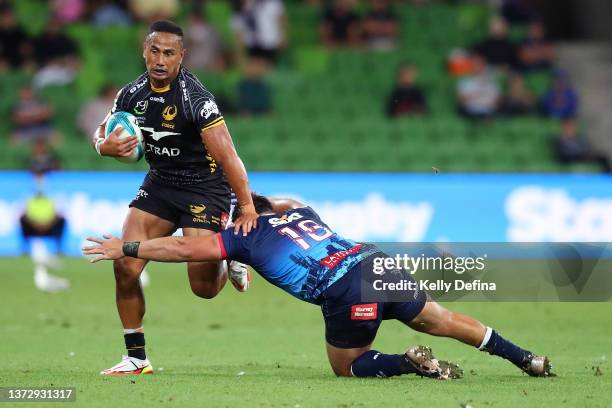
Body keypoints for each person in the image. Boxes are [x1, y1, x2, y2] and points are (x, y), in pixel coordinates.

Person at [84, 193, 554, 379]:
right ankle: (525, 359)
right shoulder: (302, 211)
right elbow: (280, 199)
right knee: (442, 319)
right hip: (374, 260)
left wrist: (127, 250)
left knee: (345, 365)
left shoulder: (239, 236)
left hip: (344, 288)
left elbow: (185, 251)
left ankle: (408, 363)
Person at [90, 20, 258, 375]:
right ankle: (136, 358)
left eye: (169, 53)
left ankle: (231, 255)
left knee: (204, 289)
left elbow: (229, 156)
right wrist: (104, 147)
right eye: (155, 51)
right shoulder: (131, 93)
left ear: (182, 56)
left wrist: (245, 207)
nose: (161, 60)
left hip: (204, 187)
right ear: (144, 51)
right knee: (125, 266)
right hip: (161, 184)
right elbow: (101, 132)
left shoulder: (196, 100)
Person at [456, 55, 500, 120]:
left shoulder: (492, 82)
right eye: (475, 65)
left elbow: (497, 100)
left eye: (480, 65)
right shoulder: (465, 82)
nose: (478, 67)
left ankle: (486, 119)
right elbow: (461, 100)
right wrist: (478, 94)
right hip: (471, 109)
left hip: (489, 109)